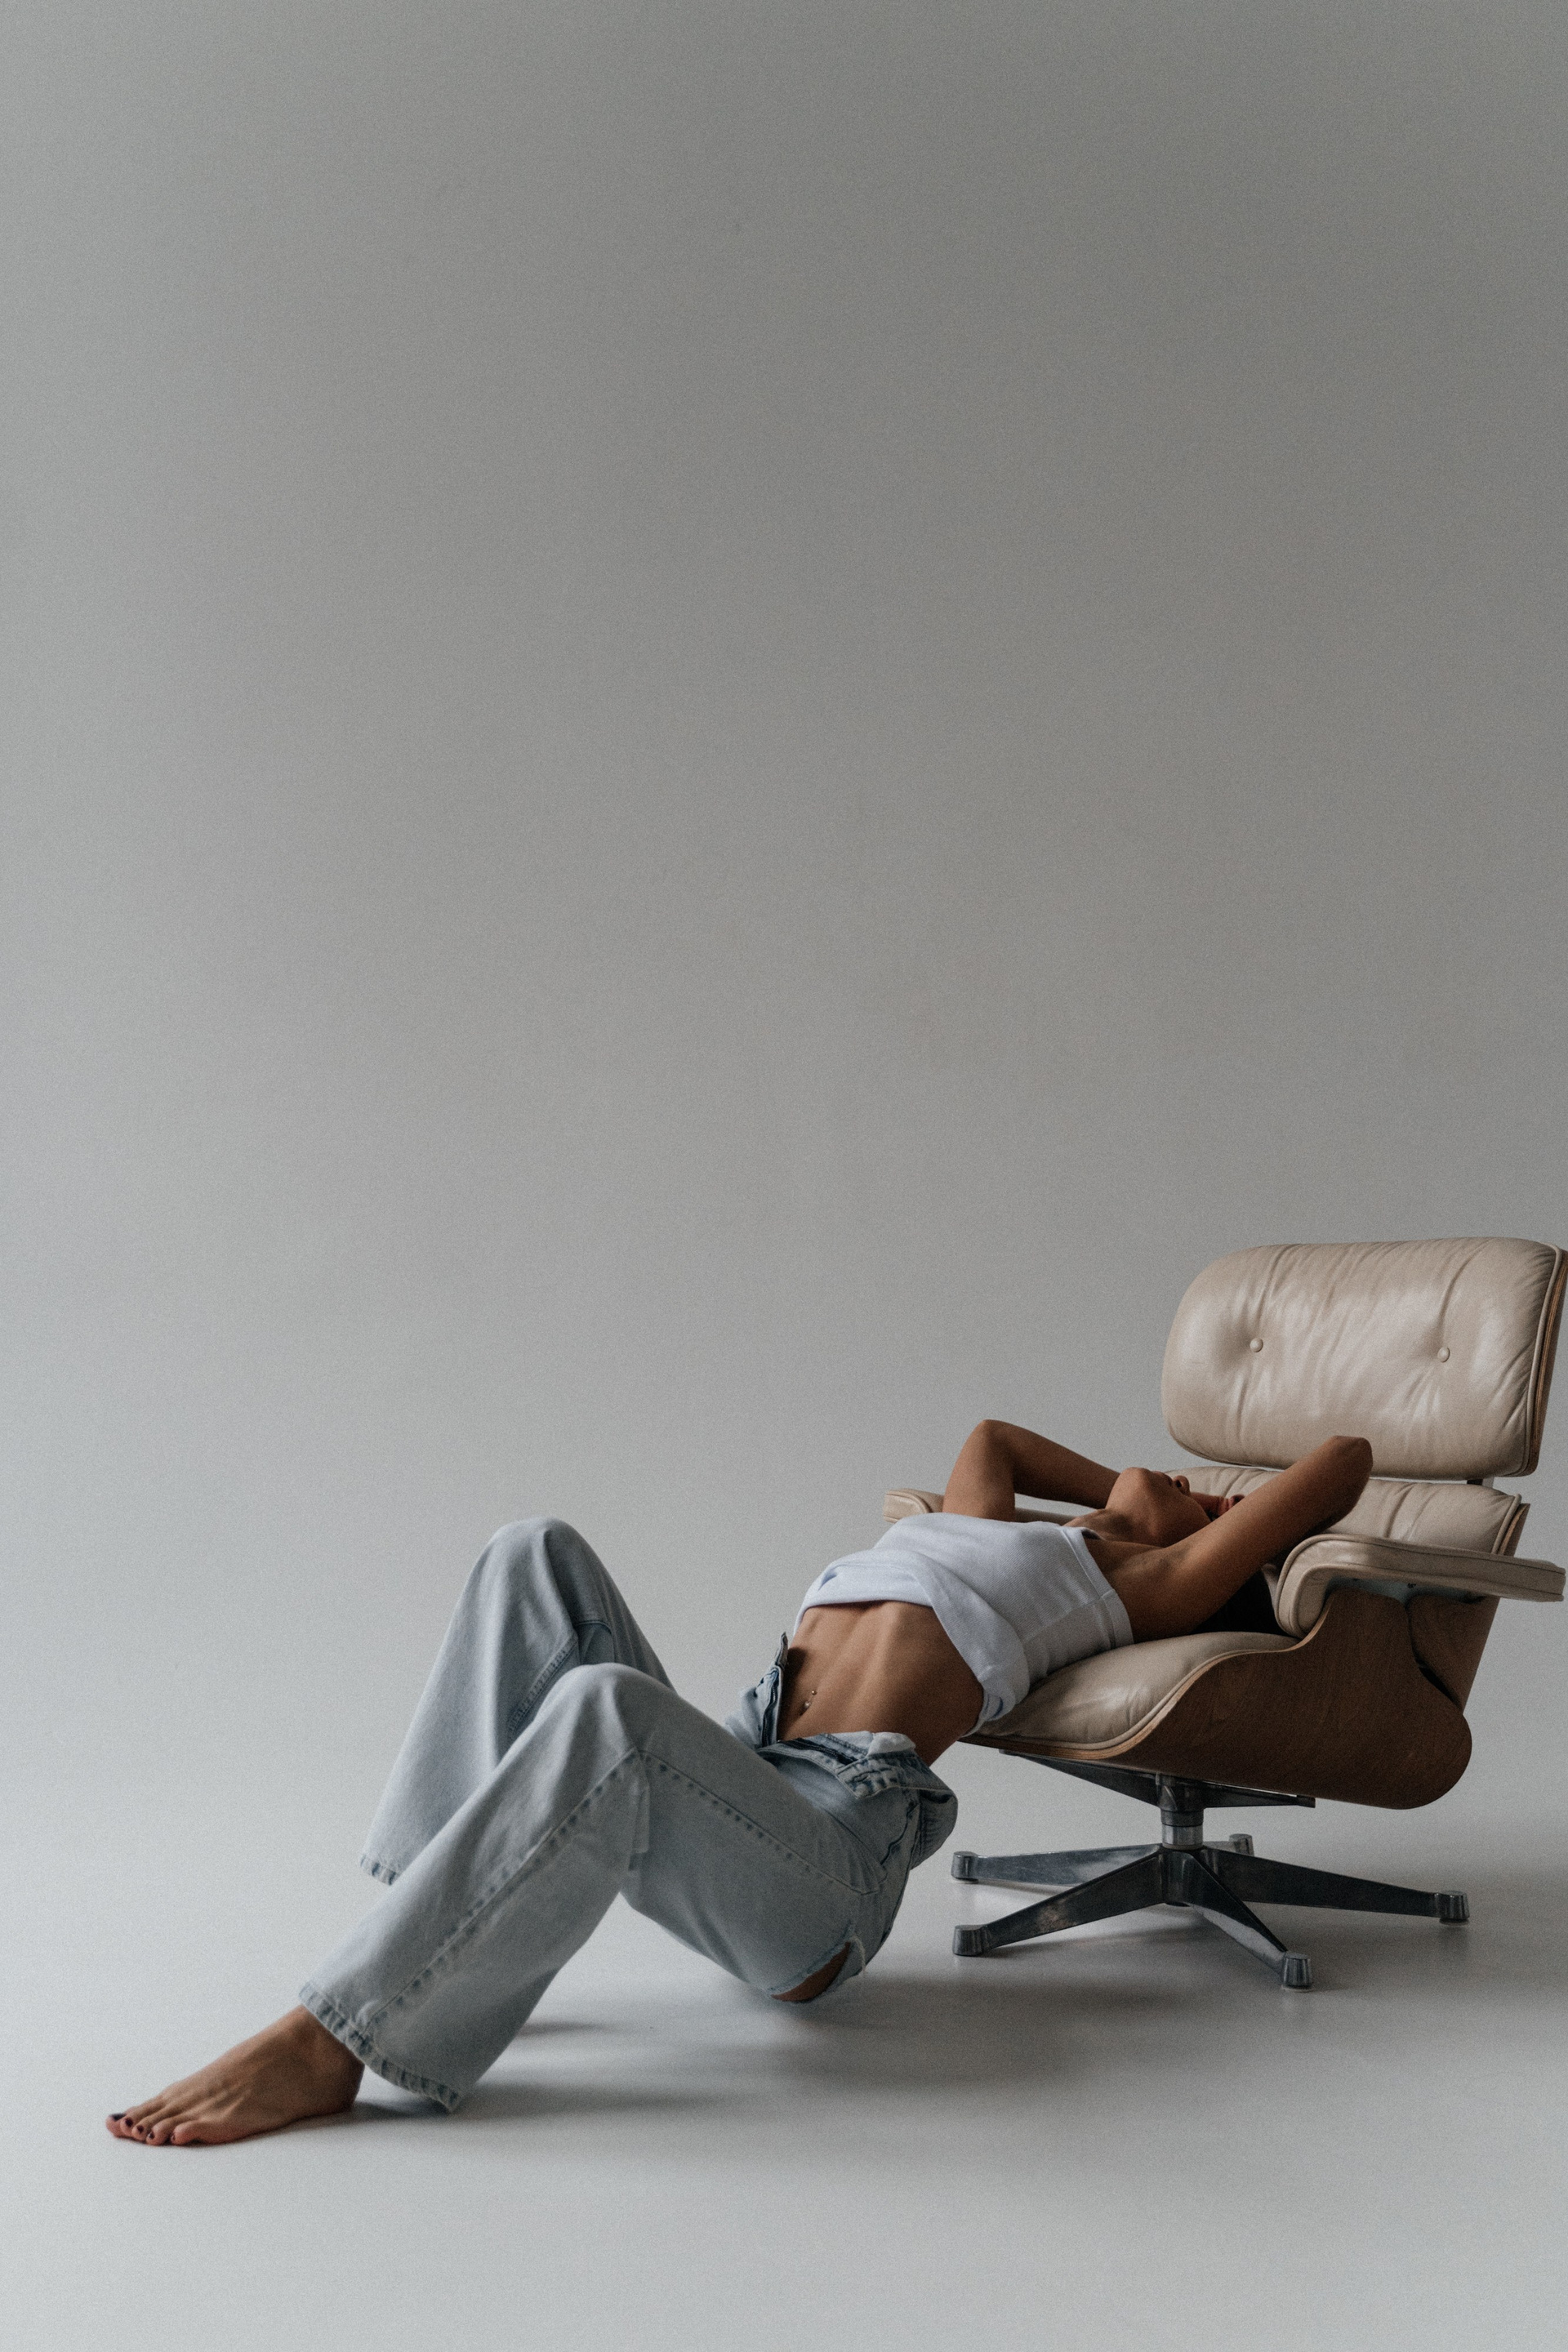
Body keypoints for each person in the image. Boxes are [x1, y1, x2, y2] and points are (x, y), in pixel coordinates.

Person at [107, 1420, 1371, 2145]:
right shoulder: (993, 1526)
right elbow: (990, 1435)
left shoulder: (1136, 1586)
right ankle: (422, 1940)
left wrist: (1196, 1513)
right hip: (747, 1766)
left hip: (823, 1867)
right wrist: (1123, 1490)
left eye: (1188, 1494)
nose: (1159, 1471)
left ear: (1201, 1541)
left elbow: (1346, 1458)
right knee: (532, 1554)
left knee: (607, 1707)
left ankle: (336, 2041)